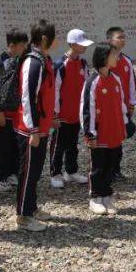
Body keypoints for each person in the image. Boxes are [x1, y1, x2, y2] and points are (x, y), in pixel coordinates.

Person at [13, 20, 58, 232]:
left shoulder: (44, 60)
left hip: (42, 126)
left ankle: (31, 207)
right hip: (31, 127)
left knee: (36, 170)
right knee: (28, 171)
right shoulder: (34, 62)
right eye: (53, 36)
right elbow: (27, 97)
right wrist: (32, 129)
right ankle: (23, 214)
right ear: (44, 39)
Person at [81, 43, 125, 215]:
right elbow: (87, 108)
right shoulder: (92, 81)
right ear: (104, 57)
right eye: (114, 55)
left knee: (111, 164)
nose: (117, 58)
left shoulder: (116, 79)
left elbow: (120, 104)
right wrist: (90, 133)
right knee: (98, 165)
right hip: (99, 132)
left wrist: (124, 123)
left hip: (114, 130)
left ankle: (107, 195)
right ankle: (95, 197)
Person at [50, 29, 92, 189]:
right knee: (58, 145)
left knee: (73, 144)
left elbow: (87, 85)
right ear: (73, 44)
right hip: (62, 114)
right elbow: (54, 91)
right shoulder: (60, 65)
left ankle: (71, 171)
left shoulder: (82, 63)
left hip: (77, 113)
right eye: (82, 44)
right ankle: (55, 173)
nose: (85, 47)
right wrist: (55, 114)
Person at [0, 28, 28, 191]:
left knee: (16, 144)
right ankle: (1, 176)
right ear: (11, 45)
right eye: (21, 45)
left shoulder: (24, 60)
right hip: (4, 112)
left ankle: (14, 173)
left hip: (18, 113)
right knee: (3, 145)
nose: (24, 48)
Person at [106, 26, 136, 180]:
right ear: (109, 40)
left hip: (123, 108)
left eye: (124, 37)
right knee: (107, 138)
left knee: (119, 138)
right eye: (120, 37)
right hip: (107, 108)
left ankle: (116, 169)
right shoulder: (104, 60)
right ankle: (105, 170)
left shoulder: (127, 61)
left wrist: (131, 104)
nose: (123, 40)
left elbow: (132, 83)